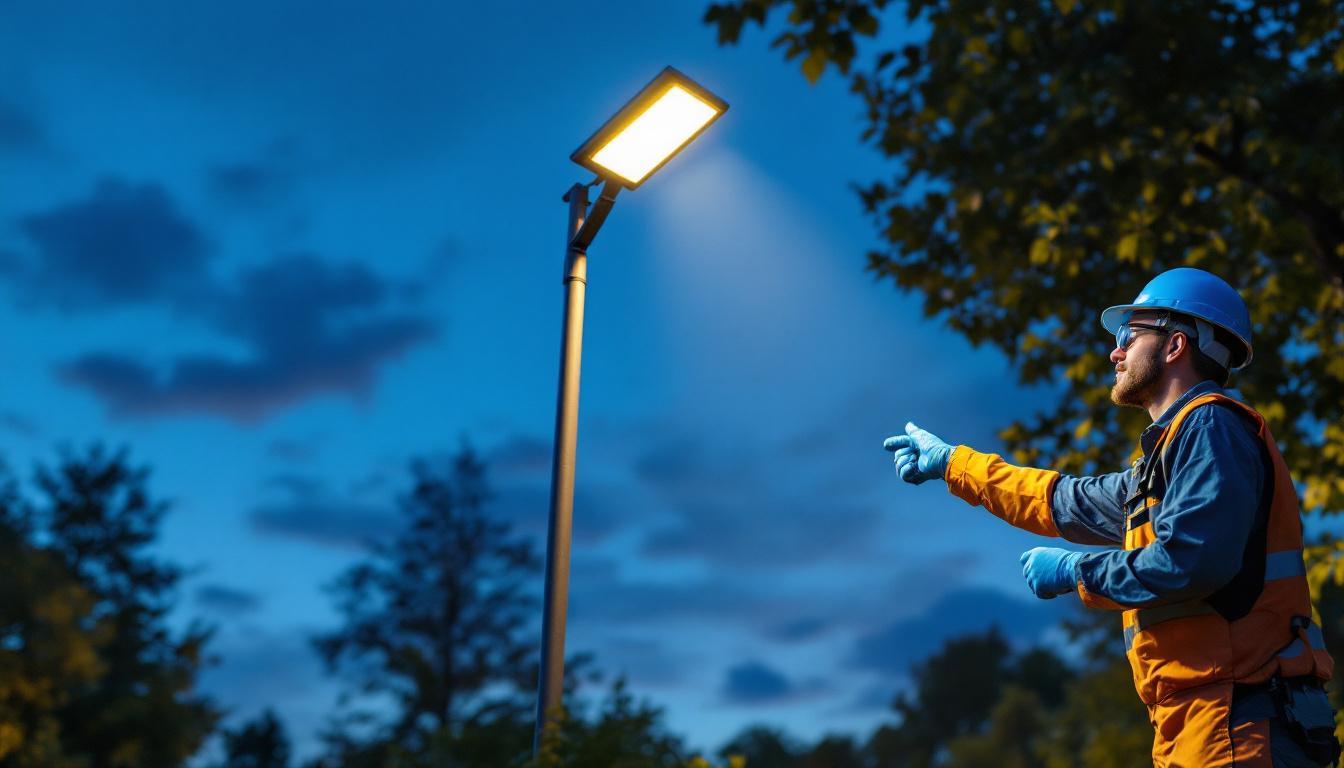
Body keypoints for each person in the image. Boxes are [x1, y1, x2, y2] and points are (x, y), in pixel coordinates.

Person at [883, 267, 1339, 767]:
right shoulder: (1165, 462)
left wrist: (1077, 571)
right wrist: (953, 463)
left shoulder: (1211, 426)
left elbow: (1193, 560)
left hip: (1238, 726)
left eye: (1129, 335)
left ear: (1175, 346)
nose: (1114, 353)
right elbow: (1060, 500)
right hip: (1203, 725)